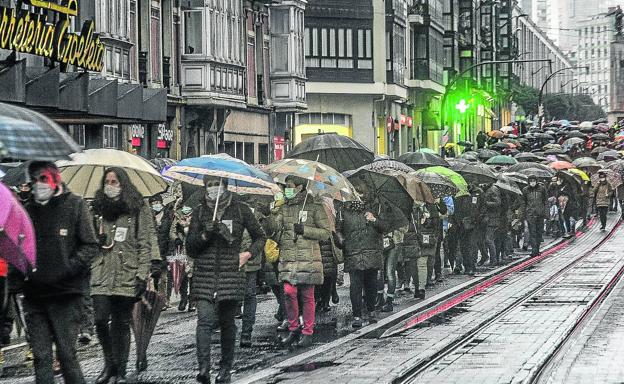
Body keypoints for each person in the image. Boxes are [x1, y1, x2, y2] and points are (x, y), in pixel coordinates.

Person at [12, 161, 98, 384]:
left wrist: (69, 267)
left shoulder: (75, 205)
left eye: (44, 179)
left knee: (67, 355)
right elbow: (19, 250)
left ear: (55, 179)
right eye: (34, 180)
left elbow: (90, 245)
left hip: (66, 295)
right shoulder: (27, 211)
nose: (39, 185)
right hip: (35, 296)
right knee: (41, 357)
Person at [186, 177, 265, 384]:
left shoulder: (240, 210)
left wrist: (247, 254)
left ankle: (225, 368)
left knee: (227, 323)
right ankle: (203, 369)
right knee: (204, 321)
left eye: (217, 184)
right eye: (210, 185)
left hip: (230, 274)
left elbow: (260, 236)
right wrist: (205, 235)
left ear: (225, 186)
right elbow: (190, 248)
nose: (214, 189)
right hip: (204, 274)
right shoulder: (200, 211)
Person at [91, 167, 160, 384]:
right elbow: (86, 239)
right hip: (101, 273)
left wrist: (142, 274)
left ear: (123, 184)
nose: (110, 186)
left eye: (114, 181)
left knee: (120, 322)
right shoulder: (97, 208)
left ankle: (119, 369)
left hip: (127, 272)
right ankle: (109, 364)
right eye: (107, 181)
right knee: (101, 320)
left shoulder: (137, 207)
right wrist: (96, 240)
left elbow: (145, 241)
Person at [268, 177, 330, 348]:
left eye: (289, 187)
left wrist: (305, 230)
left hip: (308, 257)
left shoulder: (315, 206)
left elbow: (325, 233)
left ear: (300, 187)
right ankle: (294, 327)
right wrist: (273, 214)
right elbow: (273, 230)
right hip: (288, 256)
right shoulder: (284, 207)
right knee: (288, 291)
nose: (286, 190)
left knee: (307, 295)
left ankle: (308, 331)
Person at [336, 194, 396, 328]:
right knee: (355, 286)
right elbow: (338, 230)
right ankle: (356, 315)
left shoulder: (376, 207)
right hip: (353, 252)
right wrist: (340, 240)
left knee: (371, 285)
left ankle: (371, 310)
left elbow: (386, 227)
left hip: (372, 252)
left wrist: (374, 219)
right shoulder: (342, 211)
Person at [149, 194, 175, 306]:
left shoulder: (169, 216)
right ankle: (156, 299)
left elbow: (171, 234)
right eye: (153, 203)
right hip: (154, 251)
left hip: (166, 249)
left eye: (157, 202)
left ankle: (165, 300)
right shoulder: (149, 217)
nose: (156, 205)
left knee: (165, 277)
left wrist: (170, 251)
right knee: (155, 277)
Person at [454, 183, 484, 275]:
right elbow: (456, 208)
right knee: (463, 246)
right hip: (462, 224)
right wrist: (459, 221)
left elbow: (483, 208)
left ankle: (472, 266)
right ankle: (466, 266)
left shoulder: (479, 192)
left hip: (474, 224)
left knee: (472, 245)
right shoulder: (459, 193)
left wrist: (477, 219)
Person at [523, 176, 548, 256]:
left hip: (540, 214)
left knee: (539, 233)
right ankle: (534, 250)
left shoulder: (542, 189)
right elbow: (524, 203)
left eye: (534, 181)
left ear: (536, 181)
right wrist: (524, 214)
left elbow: (545, 201)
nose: (532, 182)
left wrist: (546, 214)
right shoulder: (525, 190)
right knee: (532, 232)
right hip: (530, 214)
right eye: (531, 181)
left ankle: (537, 249)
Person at [483, 184, 503, 265]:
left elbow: (497, 203)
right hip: (489, 218)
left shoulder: (492, 190)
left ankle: (493, 260)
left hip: (492, 218)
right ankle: (491, 259)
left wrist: (486, 203)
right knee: (487, 240)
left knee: (489, 239)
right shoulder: (487, 189)